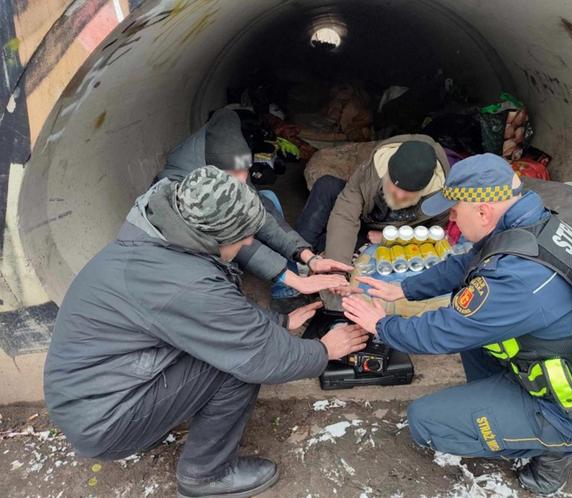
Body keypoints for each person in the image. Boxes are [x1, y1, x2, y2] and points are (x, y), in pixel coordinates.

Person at [43, 167, 369, 498]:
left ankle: (158, 423)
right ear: (214, 236)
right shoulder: (184, 283)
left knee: (232, 345)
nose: (248, 242)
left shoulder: (165, 223)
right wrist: (325, 350)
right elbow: (259, 355)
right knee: (236, 367)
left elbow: (214, 317)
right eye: (243, 237)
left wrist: (281, 320)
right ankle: (206, 475)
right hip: (105, 420)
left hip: (91, 395)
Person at [341, 153, 572, 495]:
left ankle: (559, 452)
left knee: (424, 420)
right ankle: (509, 405)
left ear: (483, 211)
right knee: (477, 337)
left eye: (455, 210)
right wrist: (405, 287)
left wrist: (381, 324)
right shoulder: (537, 225)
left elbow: (442, 331)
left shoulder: (519, 278)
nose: (451, 218)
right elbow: (467, 263)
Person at [158, 108, 351, 305]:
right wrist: (292, 280)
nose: (243, 180)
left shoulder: (229, 155)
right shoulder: (178, 185)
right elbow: (234, 238)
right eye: (236, 178)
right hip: (193, 261)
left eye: (245, 173)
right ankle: (281, 282)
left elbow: (257, 209)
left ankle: (289, 274)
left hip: (224, 234)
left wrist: (308, 257)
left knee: (267, 198)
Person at [296, 135, 451, 265]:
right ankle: (299, 261)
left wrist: (389, 238)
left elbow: (434, 238)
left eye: (407, 194)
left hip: (384, 236)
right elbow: (345, 215)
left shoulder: (440, 199)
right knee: (326, 185)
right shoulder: (373, 170)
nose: (398, 196)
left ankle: (320, 260)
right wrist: (337, 270)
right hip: (363, 215)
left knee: (338, 248)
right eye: (394, 188)